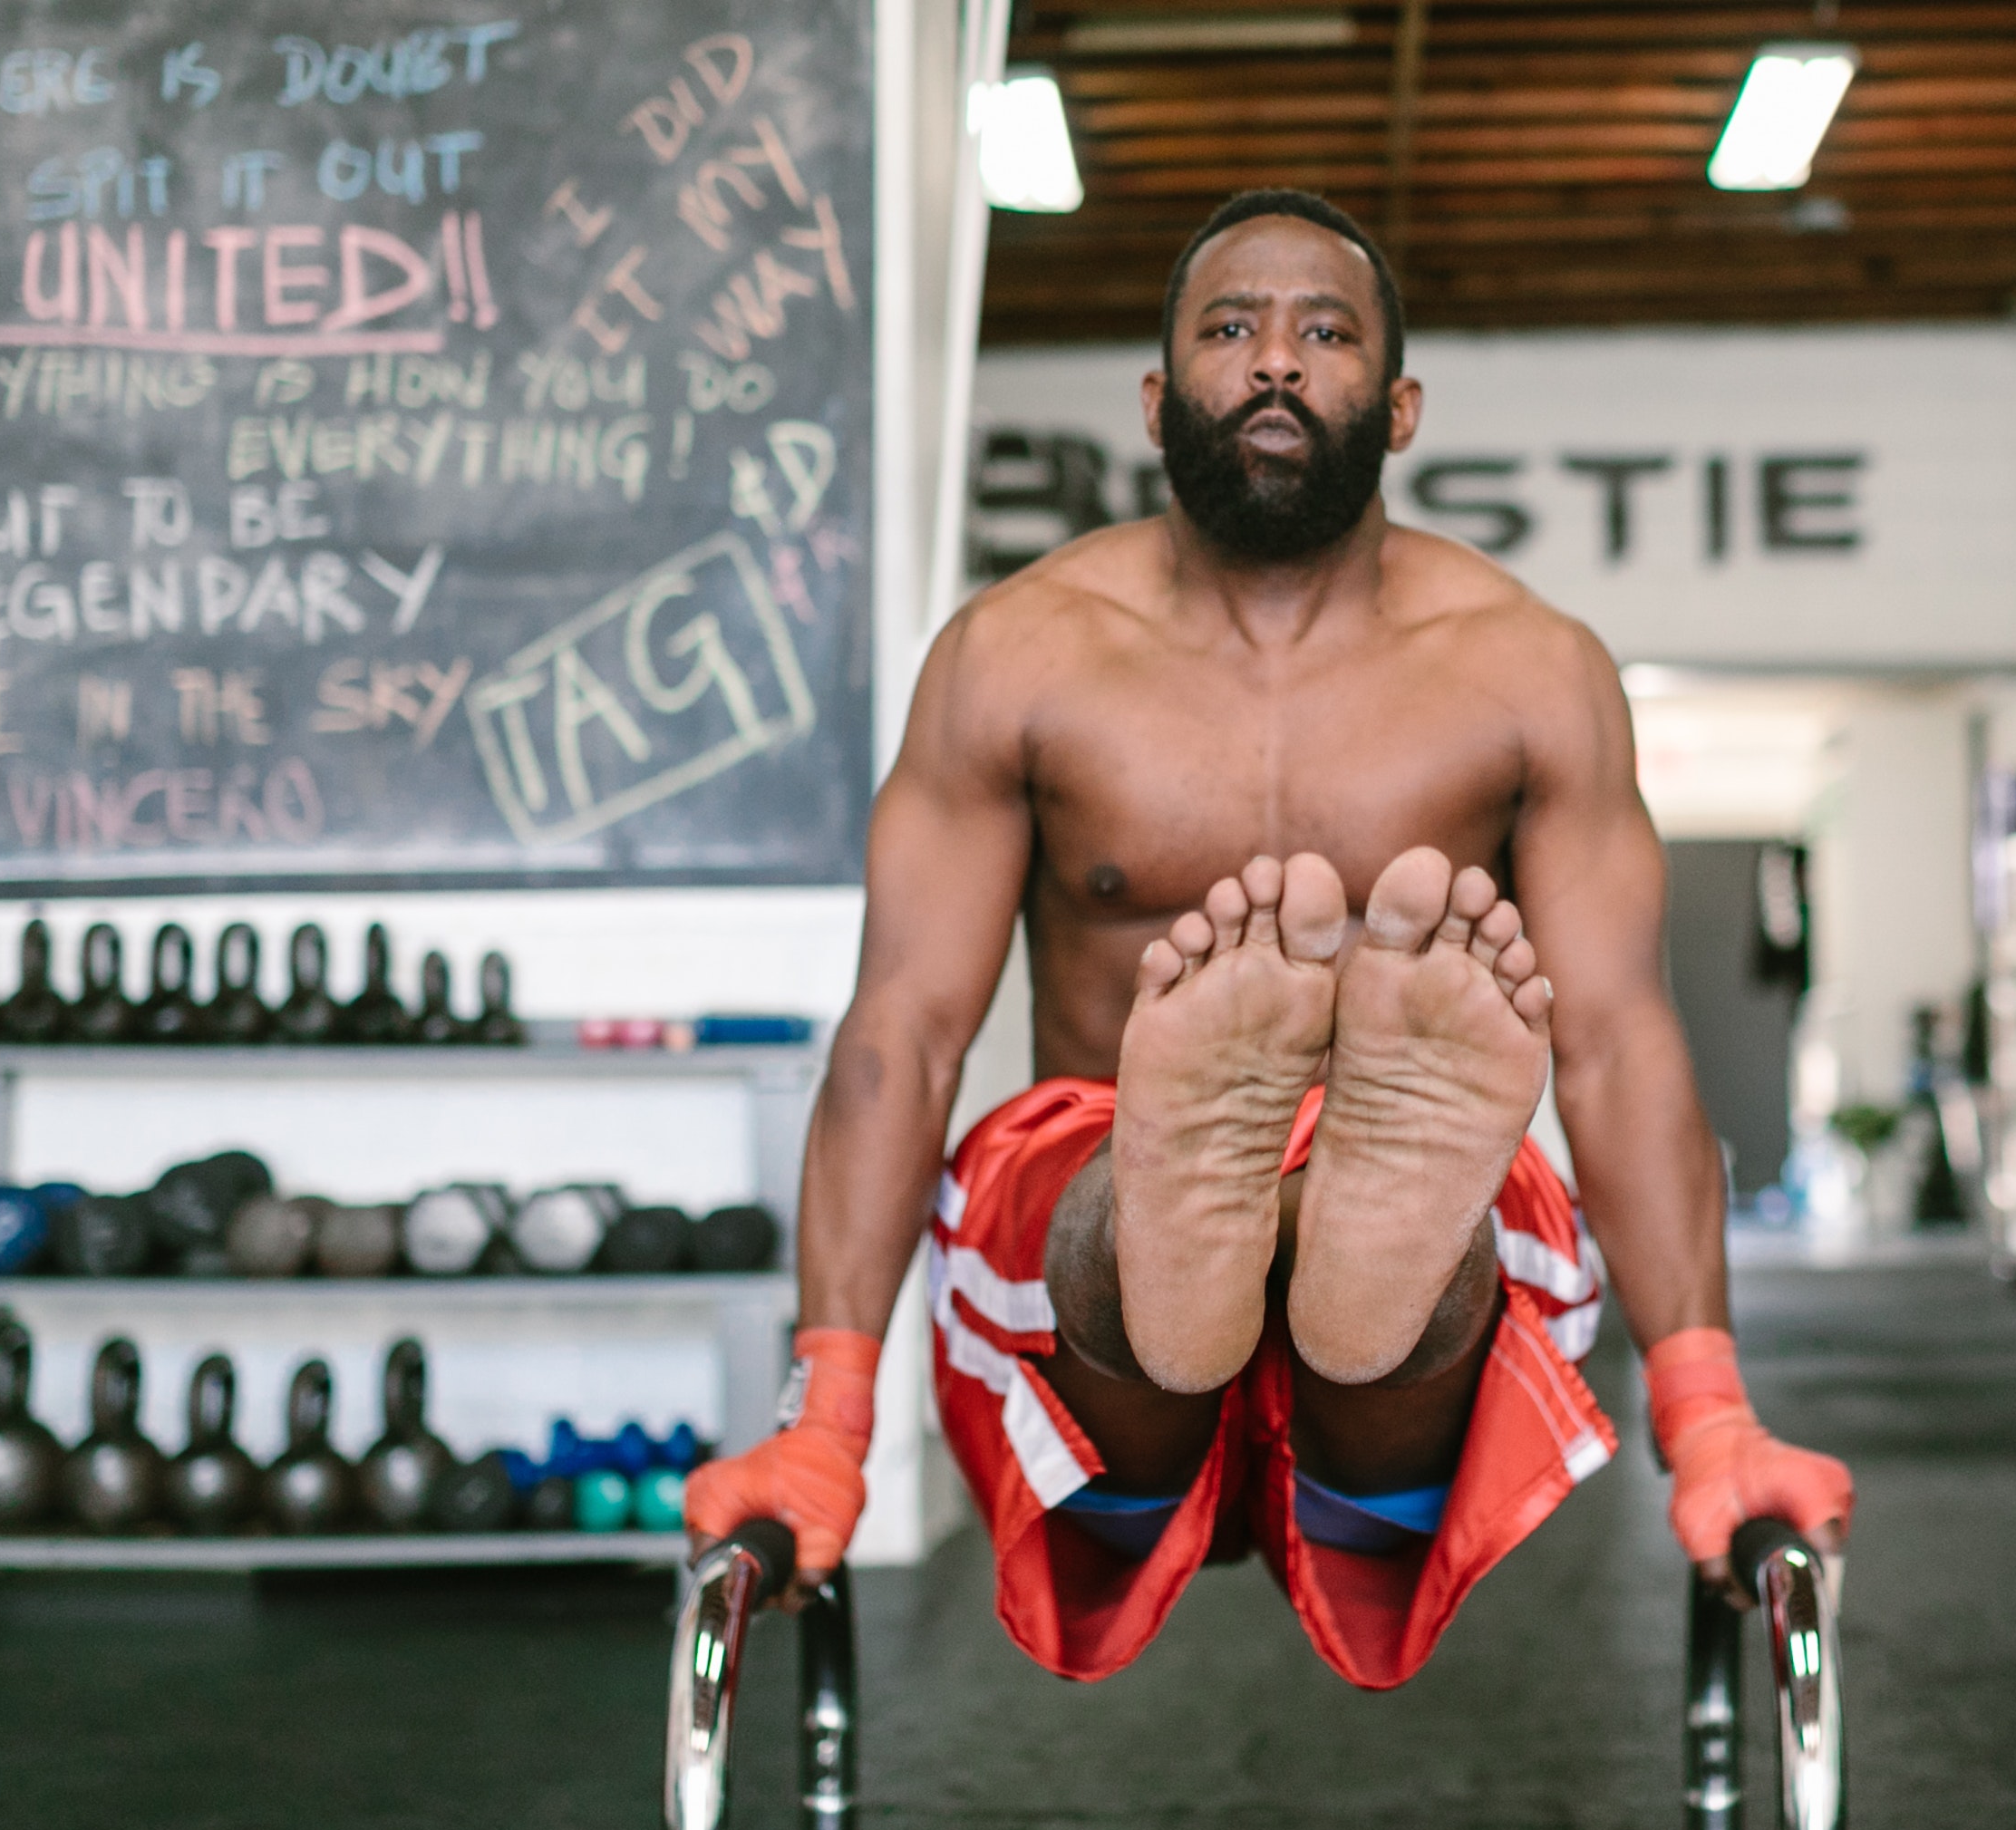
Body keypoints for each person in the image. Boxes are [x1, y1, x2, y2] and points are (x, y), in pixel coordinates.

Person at [684, 189, 1852, 1688]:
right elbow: (901, 1033)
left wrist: (1713, 1418)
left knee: (1421, 1246)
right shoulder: (1019, 657)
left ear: (1401, 402)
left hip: (1284, 1274)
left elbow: (1622, 1043)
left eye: (1326, 331)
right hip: (1098, 1197)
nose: (1278, 363)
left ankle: (1349, 1212)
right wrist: (825, 1420)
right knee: (1103, 1194)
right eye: (1232, 330)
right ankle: (1216, 1196)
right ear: (1164, 400)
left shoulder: (1527, 672)